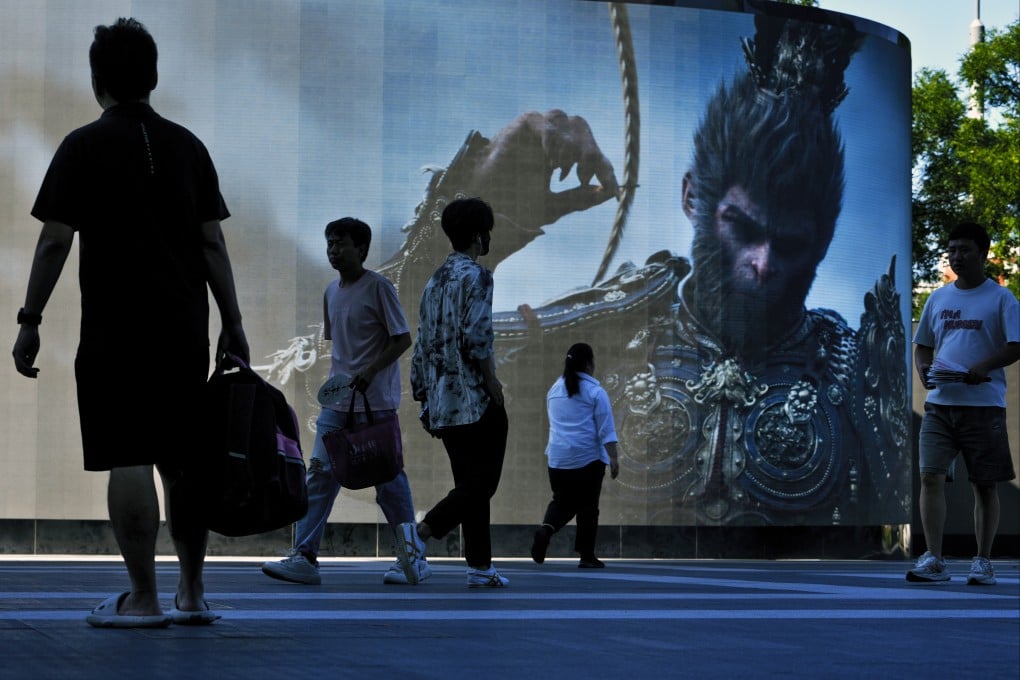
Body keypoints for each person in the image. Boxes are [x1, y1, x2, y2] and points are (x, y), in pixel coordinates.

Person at [11, 18, 249, 627]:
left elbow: (53, 243)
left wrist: (30, 317)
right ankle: (192, 594)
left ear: (98, 81)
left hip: (115, 331)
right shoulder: (188, 146)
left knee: (130, 456)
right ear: (154, 77)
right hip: (182, 329)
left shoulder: (83, 146)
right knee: (183, 460)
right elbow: (211, 244)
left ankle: (142, 598)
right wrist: (234, 322)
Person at [261, 217, 430, 586]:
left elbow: (402, 339)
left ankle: (412, 559)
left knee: (388, 481)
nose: (333, 250)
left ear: (362, 249)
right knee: (320, 474)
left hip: (375, 405)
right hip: (337, 405)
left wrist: (369, 372)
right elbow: (339, 348)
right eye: (330, 243)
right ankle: (304, 556)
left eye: (341, 243)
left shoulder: (379, 288)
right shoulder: (331, 292)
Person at [402, 197, 510, 588]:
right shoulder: (478, 277)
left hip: (443, 404)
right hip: (473, 399)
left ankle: (480, 567)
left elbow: (423, 341)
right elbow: (477, 339)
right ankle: (422, 533)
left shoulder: (434, 280)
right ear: (480, 235)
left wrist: (422, 393)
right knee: (481, 486)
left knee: (469, 485)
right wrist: (493, 382)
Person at [907, 221, 1019, 585]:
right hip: (940, 404)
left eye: (965, 250)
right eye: (952, 250)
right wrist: (924, 369)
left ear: (983, 253)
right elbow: (922, 344)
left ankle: (983, 561)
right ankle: (934, 558)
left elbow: (1016, 345)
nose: (956, 256)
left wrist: (982, 368)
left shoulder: (1002, 298)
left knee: (984, 484)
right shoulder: (938, 298)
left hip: (984, 405)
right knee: (930, 477)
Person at [531, 343, 620, 568]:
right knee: (588, 507)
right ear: (589, 363)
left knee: (561, 501)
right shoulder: (595, 392)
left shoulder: (554, 390)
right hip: (588, 459)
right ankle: (586, 555)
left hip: (558, 460)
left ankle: (545, 530)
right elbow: (606, 429)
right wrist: (614, 458)